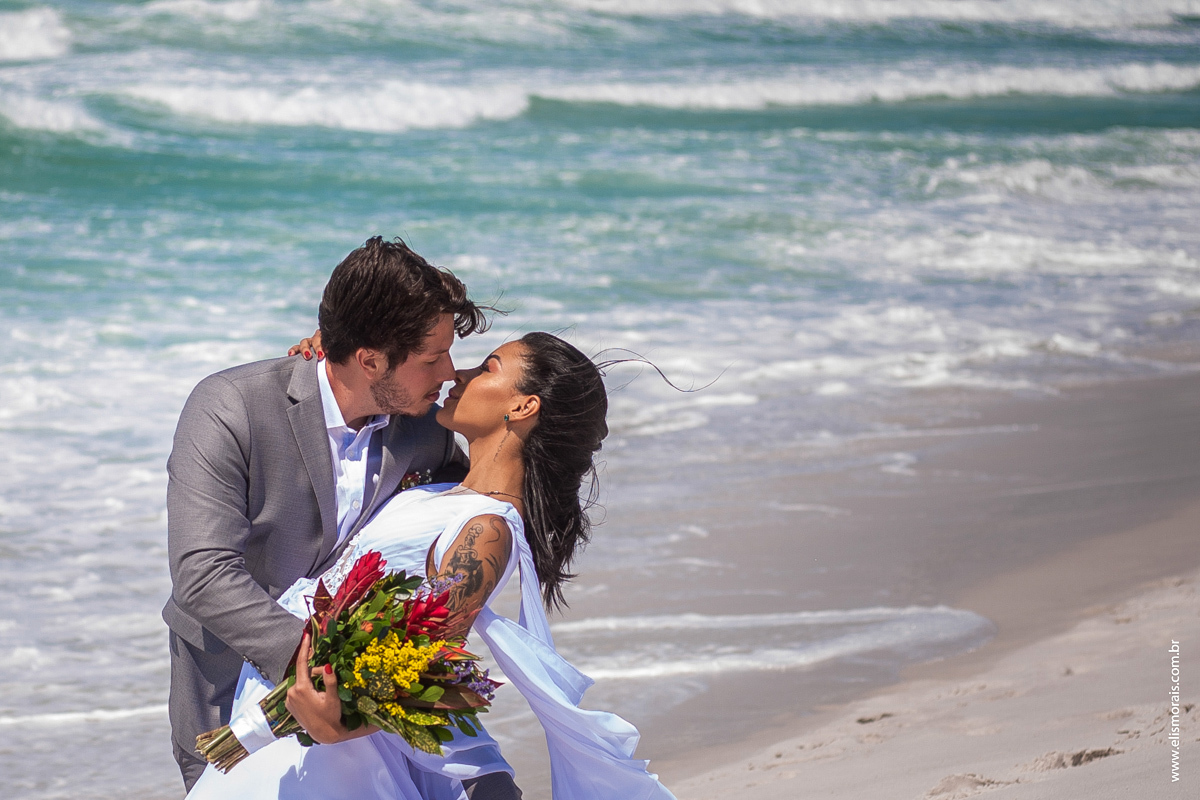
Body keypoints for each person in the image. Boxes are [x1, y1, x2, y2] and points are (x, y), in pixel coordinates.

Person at [185, 333, 677, 800]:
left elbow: (426, 670)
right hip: (285, 696)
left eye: (488, 368)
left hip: (332, 743)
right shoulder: (443, 487)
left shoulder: (488, 531)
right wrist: (344, 349)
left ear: (522, 407)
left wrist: (345, 723)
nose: (458, 373)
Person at [164, 236, 519, 800]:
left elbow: (490, 483)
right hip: (231, 697)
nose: (450, 373)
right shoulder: (229, 407)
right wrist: (325, 665)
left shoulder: (426, 426)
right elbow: (202, 574)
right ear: (370, 359)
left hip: (370, 704)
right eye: (432, 358)